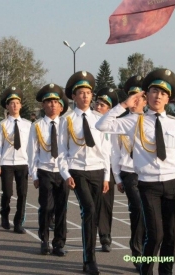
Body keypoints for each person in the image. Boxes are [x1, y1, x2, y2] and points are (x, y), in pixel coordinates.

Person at [96, 68, 175, 275]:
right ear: (145, 95)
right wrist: (124, 104)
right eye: (154, 91)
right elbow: (101, 125)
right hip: (149, 185)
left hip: (174, 183)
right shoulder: (134, 121)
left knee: (171, 236)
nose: (158, 96)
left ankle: (166, 272)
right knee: (155, 235)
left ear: (168, 99)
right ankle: (146, 271)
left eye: (163, 93)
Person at [58, 71, 110, 275]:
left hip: (97, 170)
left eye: (88, 92)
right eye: (81, 92)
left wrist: (107, 176)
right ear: (73, 96)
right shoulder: (66, 120)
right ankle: (89, 260)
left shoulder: (100, 119)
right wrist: (66, 174)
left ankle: (89, 255)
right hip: (77, 170)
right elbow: (62, 151)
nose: (85, 96)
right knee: (88, 209)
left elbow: (106, 150)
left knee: (94, 213)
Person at [28, 83, 69, 256]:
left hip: (63, 172)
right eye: (49, 102)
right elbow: (32, 151)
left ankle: (59, 243)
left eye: (55, 102)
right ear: (43, 105)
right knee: (46, 207)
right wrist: (34, 174)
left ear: (61, 106)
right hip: (45, 170)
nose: (52, 105)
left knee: (62, 208)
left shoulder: (68, 125)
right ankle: (44, 240)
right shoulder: (37, 126)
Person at [111, 75, 147, 272]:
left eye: (139, 96)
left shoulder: (152, 121)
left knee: (148, 214)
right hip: (129, 173)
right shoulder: (121, 123)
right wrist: (117, 177)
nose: (136, 100)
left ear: (145, 99)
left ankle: (146, 250)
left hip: (149, 175)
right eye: (132, 96)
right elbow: (115, 152)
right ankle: (137, 252)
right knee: (139, 210)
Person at [0, 87, 31, 234]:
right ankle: (4, 213)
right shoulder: (3, 125)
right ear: (7, 106)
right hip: (7, 162)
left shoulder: (28, 125)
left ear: (21, 105)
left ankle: (18, 222)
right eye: (11, 103)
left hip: (23, 162)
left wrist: (32, 165)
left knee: (23, 194)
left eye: (17, 103)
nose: (14, 106)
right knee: (7, 193)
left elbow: (30, 148)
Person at [94, 87, 119, 253]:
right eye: (97, 103)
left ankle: (105, 236)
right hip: (92, 166)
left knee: (106, 204)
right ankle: (89, 234)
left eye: (102, 105)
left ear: (109, 109)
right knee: (90, 205)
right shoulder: (90, 122)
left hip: (108, 168)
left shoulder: (116, 125)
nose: (98, 107)